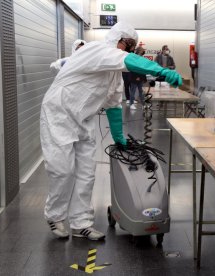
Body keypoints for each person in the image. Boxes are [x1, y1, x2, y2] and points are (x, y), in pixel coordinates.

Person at [40, 22, 182, 240]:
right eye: (128, 44)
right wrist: (161, 71)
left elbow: (114, 106)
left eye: (132, 46)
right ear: (118, 39)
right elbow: (128, 60)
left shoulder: (114, 74)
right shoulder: (96, 50)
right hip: (59, 115)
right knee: (63, 170)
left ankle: (81, 223)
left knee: (86, 173)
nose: (129, 49)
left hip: (83, 120)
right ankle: (55, 216)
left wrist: (119, 138)